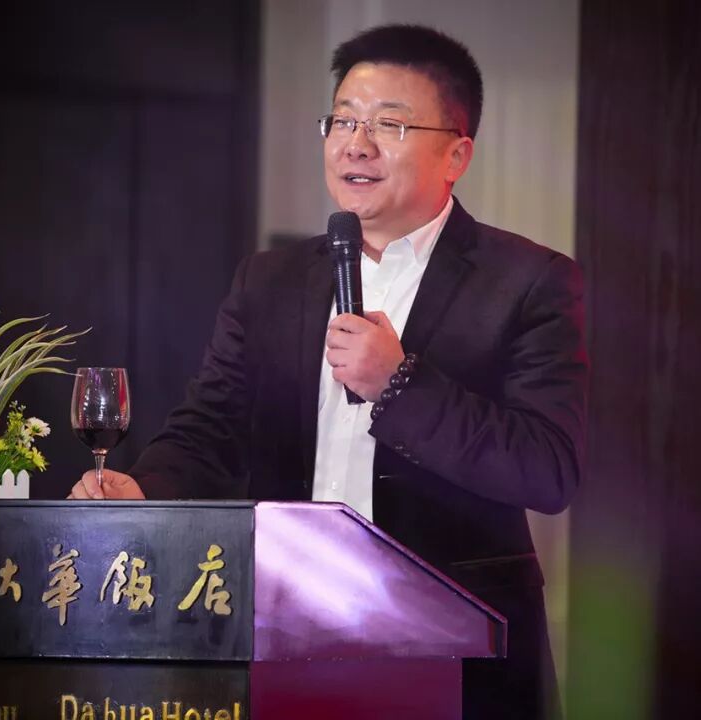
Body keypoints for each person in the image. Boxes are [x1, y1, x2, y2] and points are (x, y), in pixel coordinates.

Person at [70, 24, 586, 718]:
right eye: (343, 120)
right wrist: (142, 488)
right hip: (287, 633)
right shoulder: (270, 279)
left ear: (456, 154)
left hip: (458, 654)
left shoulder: (528, 281)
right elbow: (211, 428)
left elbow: (547, 469)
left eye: (389, 125)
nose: (356, 144)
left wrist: (400, 384)